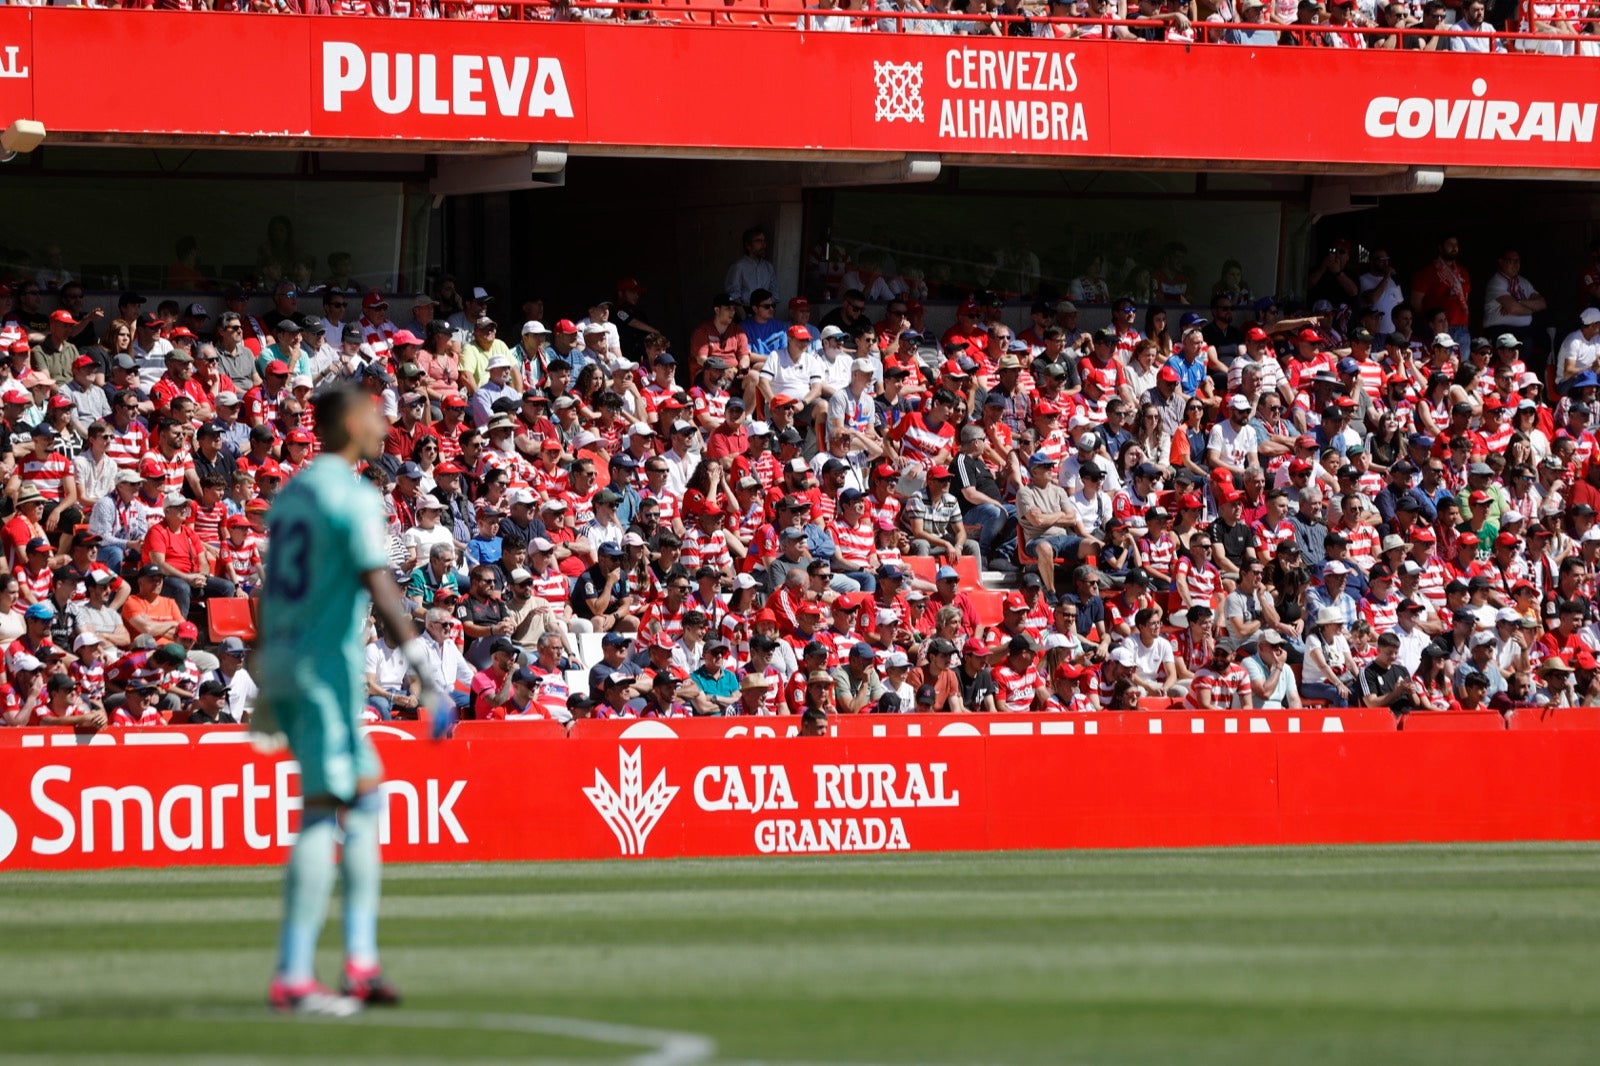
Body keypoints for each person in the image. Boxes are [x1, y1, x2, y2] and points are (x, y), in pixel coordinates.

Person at [252, 384, 447, 1016]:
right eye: (376, 414)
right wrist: (424, 666)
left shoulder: (293, 493)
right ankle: (294, 974)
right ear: (350, 423)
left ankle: (360, 960)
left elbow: (273, 584)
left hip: (287, 655)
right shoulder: (351, 493)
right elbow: (379, 583)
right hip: (323, 664)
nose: (385, 423)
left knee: (365, 796)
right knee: (324, 809)